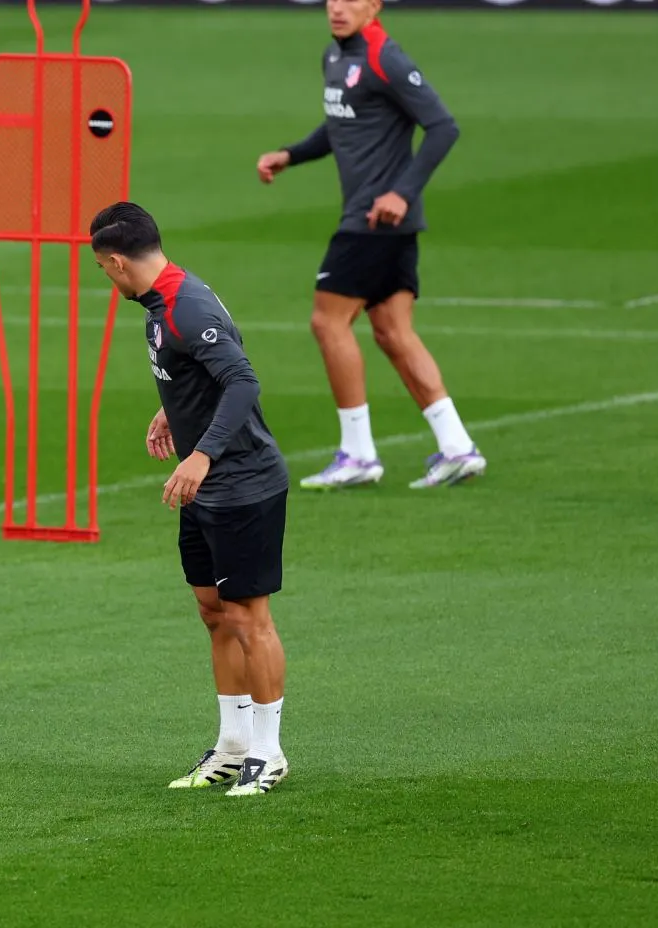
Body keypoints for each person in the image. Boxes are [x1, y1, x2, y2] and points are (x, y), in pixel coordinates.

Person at [89, 202, 291, 796]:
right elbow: (206, 366)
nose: (107, 279)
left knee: (249, 617)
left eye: (103, 269)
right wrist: (173, 407)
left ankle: (269, 752)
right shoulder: (166, 300)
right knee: (214, 611)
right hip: (205, 488)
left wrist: (201, 453)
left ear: (118, 262)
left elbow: (242, 380)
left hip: (243, 483)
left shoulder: (186, 306)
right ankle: (232, 745)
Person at [257, 0, 483, 490]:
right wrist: (291, 155)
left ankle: (358, 455)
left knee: (327, 322)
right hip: (386, 225)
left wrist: (402, 192)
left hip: (374, 220)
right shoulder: (335, 56)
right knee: (393, 332)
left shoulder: (385, 57)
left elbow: (443, 126)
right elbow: (343, 124)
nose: (338, 8)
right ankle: (457, 447)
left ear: (375, 6)